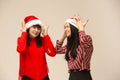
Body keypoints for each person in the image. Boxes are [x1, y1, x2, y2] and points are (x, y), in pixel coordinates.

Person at [16, 15, 56, 80]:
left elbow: (52, 53)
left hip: (43, 76)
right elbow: (20, 49)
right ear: (28, 28)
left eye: (38, 28)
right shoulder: (21, 39)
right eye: (34, 27)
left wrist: (46, 35)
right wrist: (24, 32)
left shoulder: (42, 40)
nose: (36, 30)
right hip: (28, 76)